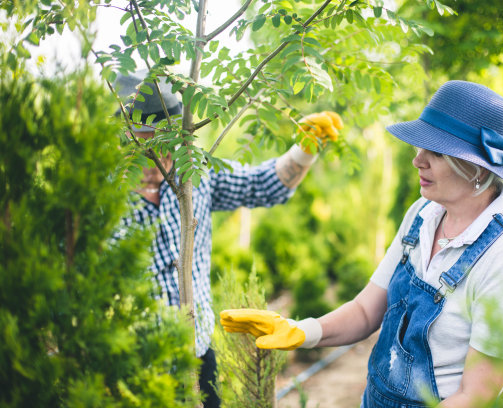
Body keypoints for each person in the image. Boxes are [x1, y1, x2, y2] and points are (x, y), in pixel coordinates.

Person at [220, 80, 503, 407]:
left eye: (434, 152)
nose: (418, 161)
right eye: (419, 148)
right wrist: (299, 331)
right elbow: (365, 311)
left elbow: (476, 395)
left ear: (477, 168)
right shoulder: (423, 214)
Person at [114, 70, 343, 408]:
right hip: (132, 368)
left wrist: (304, 151)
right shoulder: (101, 196)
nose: (153, 156)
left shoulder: (195, 176)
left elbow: (262, 184)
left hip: (197, 360)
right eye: (141, 142)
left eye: (160, 143)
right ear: (125, 136)